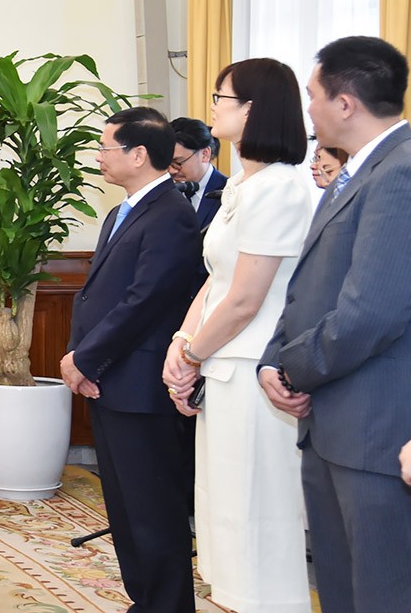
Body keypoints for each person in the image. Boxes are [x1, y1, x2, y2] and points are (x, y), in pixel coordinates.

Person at [259, 36, 411, 612]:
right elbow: (310, 285)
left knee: (391, 594)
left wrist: (293, 369)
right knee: (341, 590)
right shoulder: (356, 173)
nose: (306, 108)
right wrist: (272, 357)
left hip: (377, 426)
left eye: (313, 95)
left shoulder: (407, 174)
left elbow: (372, 313)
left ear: (345, 104)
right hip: (335, 420)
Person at [162, 58, 312, 612]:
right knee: (224, 516)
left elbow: (248, 298)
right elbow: (217, 279)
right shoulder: (243, 187)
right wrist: (182, 344)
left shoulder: (279, 189)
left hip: (253, 372)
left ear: (252, 110)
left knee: (256, 520)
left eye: (221, 97)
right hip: (221, 365)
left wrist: (194, 353)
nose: (213, 106)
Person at [60, 107, 202, 613]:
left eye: (106, 148)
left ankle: (167, 605)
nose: (99, 157)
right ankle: (144, 602)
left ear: (139, 154)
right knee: (123, 510)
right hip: (110, 379)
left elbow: (147, 301)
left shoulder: (170, 216)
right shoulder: (122, 212)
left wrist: (87, 358)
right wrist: (83, 359)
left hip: (142, 387)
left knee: (152, 512)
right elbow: (99, 295)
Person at [168, 116, 226, 229]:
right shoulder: (167, 193)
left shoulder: (228, 193)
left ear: (205, 154)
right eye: (167, 163)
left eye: (177, 162)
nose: (171, 170)